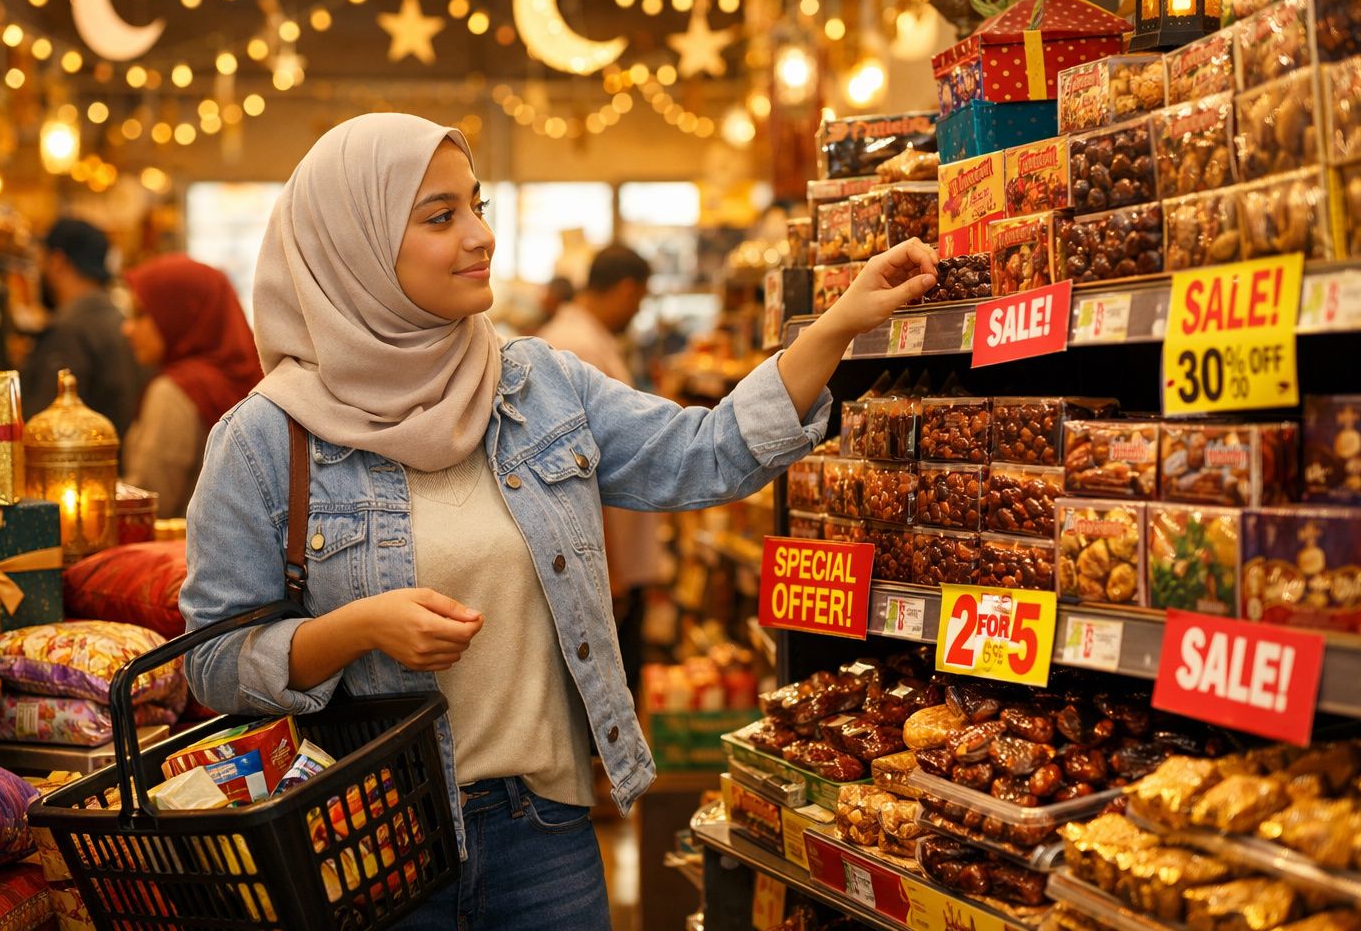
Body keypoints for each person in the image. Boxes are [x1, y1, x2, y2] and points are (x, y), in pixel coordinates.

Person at [180, 114, 936, 930]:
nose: (480, 236)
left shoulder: (536, 386)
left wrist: (838, 322)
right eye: (440, 217)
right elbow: (213, 663)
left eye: (477, 206)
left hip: (543, 835)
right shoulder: (265, 441)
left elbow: (707, 454)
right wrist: (358, 629)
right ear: (352, 248)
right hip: (368, 843)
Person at [538, 244, 658, 702]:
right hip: (604, 557)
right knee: (611, 689)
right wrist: (608, 570)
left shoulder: (582, 337)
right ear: (626, 289)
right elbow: (574, 469)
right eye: (639, 299)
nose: (637, 310)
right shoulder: (578, 345)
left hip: (609, 554)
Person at [121, 256, 263, 519]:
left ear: (179, 313)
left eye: (140, 314)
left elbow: (145, 506)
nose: (127, 328)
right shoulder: (256, 379)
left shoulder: (174, 393)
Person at [21, 219, 141, 438]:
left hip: (82, 457)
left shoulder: (67, 331)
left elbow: (45, 428)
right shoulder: (121, 320)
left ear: (57, 261)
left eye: (42, 260)